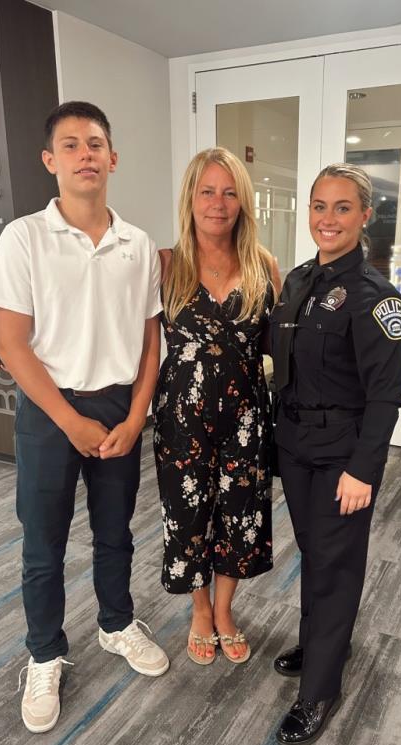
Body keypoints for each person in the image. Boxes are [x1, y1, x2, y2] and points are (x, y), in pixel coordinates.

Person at [0, 101, 169, 734]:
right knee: (44, 544)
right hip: (48, 412)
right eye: (71, 145)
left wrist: (138, 413)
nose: (85, 154)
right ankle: (44, 653)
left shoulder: (137, 244)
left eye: (95, 144)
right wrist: (69, 420)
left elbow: (151, 340)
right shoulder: (24, 237)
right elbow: (11, 343)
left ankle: (116, 624)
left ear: (112, 157)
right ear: (50, 161)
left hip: (119, 407)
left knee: (116, 532)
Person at [270, 163, 401, 745]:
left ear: (364, 216)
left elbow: (385, 397)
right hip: (297, 448)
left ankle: (321, 689)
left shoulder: (377, 299)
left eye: (342, 207)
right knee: (316, 555)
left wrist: (362, 470)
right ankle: (324, 638)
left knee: (336, 564)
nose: (328, 219)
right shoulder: (298, 279)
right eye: (319, 206)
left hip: (341, 457)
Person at [153, 147, 281, 665]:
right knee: (187, 518)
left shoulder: (263, 266)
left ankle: (225, 609)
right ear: (191, 198)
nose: (218, 203)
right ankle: (199, 610)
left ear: (243, 202)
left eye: (229, 192)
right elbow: (141, 348)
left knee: (241, 516)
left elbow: (285, 348)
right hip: (181, 419)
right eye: (207, 191)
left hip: (247, 420)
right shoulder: (166, 265)